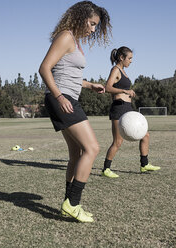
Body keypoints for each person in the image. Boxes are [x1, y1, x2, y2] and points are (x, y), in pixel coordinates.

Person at [38, 1, 111, 222]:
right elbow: (44, 68)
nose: (92, 29)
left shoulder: (75, 41)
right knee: (92, 148)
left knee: (76, 154)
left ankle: (68, 203)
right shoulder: (66, 36)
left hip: (67, 96)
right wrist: (59, 97)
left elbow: (70, 75)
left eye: (95, 26)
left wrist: (90, 85)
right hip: (63, 99)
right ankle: (73, 203)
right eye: (91, 23)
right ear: (80, 18)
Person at [102, 46, 161, 178]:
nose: (131, 61)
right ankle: (106, 169)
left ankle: (144, 165)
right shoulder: (115, 69)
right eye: (129, 58)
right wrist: (124, 91)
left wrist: (128, 92)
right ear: (121, 58)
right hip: (119, 108)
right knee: (118, 142)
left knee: (145, 135)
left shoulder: (123, 71)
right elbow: (108, 87)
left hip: (128, 109)